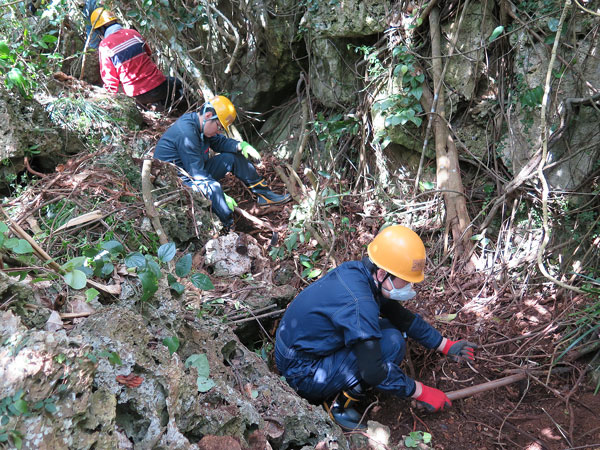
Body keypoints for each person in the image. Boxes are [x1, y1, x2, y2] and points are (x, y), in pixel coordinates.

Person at [275, 225, 476, 430]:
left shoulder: (361, 274)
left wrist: (445, 345)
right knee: (391, 343)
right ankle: (338, 406)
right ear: (382, 274)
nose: (409, 287)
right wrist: (421, 392)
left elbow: (402, 318)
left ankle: (343, 390)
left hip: (301, 348)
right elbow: (374, 372)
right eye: (405, 281)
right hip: (302, 371)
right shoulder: (360, 303)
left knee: (391, 328)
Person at [153, 95, 291, 229]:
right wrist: (220, 196)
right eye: (219, 127)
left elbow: (219, 142)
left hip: (193, 170)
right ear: (208, 116)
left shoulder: (201, 126)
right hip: (179, 180)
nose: (219, 131)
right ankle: (228, 225)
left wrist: (240, 146)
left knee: (233, 158)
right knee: (214, 188)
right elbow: (197, 174)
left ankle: (265, 195)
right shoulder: (187, 133)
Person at [90, 8, 188, 111]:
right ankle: (177, 106)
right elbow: (148, 53)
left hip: (136, 95)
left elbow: (110, 80)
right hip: (158, 87)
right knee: (177, 83)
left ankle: (154, 107)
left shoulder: (105, 46)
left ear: (101, 29)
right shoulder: (133, 33)